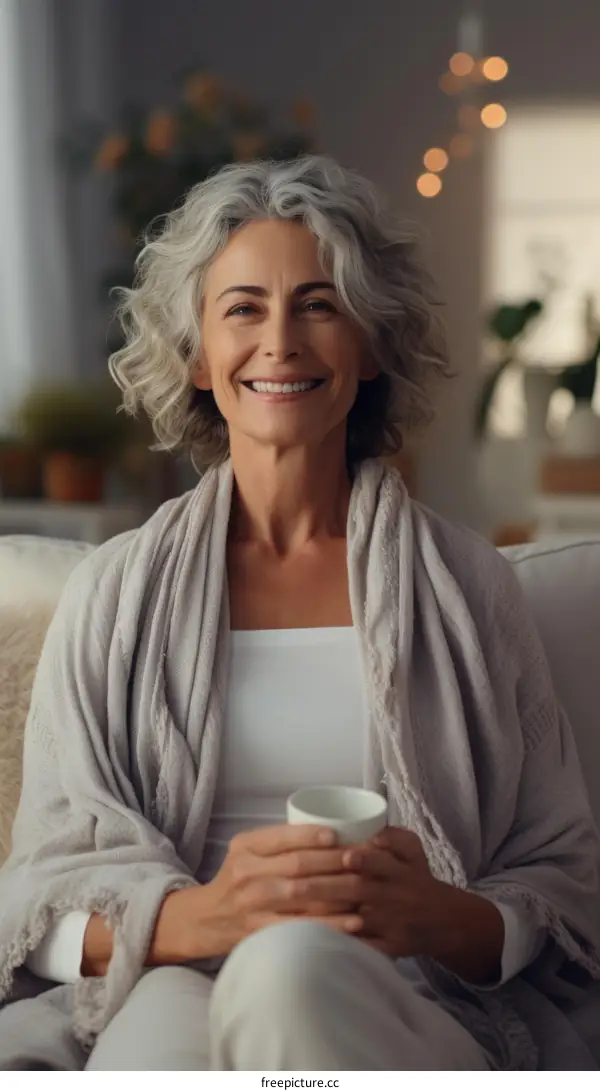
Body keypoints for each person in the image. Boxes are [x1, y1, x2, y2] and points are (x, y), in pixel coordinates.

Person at [0, 155, 599, 1072]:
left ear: (370, 347)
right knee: (151, 1052)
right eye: (243, 308)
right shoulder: (114, 595)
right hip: (169, 979)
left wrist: (441, 915)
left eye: (319, 304)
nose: (280, 340)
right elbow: (33, 897)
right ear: (195, 354)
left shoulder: (469, 587)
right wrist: (196, 915)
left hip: (407, 997)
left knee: (284, 971)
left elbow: (565, 877)